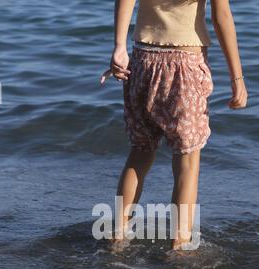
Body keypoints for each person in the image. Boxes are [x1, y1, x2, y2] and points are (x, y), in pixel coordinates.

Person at [100, 0, 248, 250]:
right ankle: (179, 247)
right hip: (185, 65)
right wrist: (238, 78)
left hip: (142, 59)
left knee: (140, 153)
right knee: (187, 162)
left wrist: (119, 47)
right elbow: (221, 16)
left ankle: (117, 239)